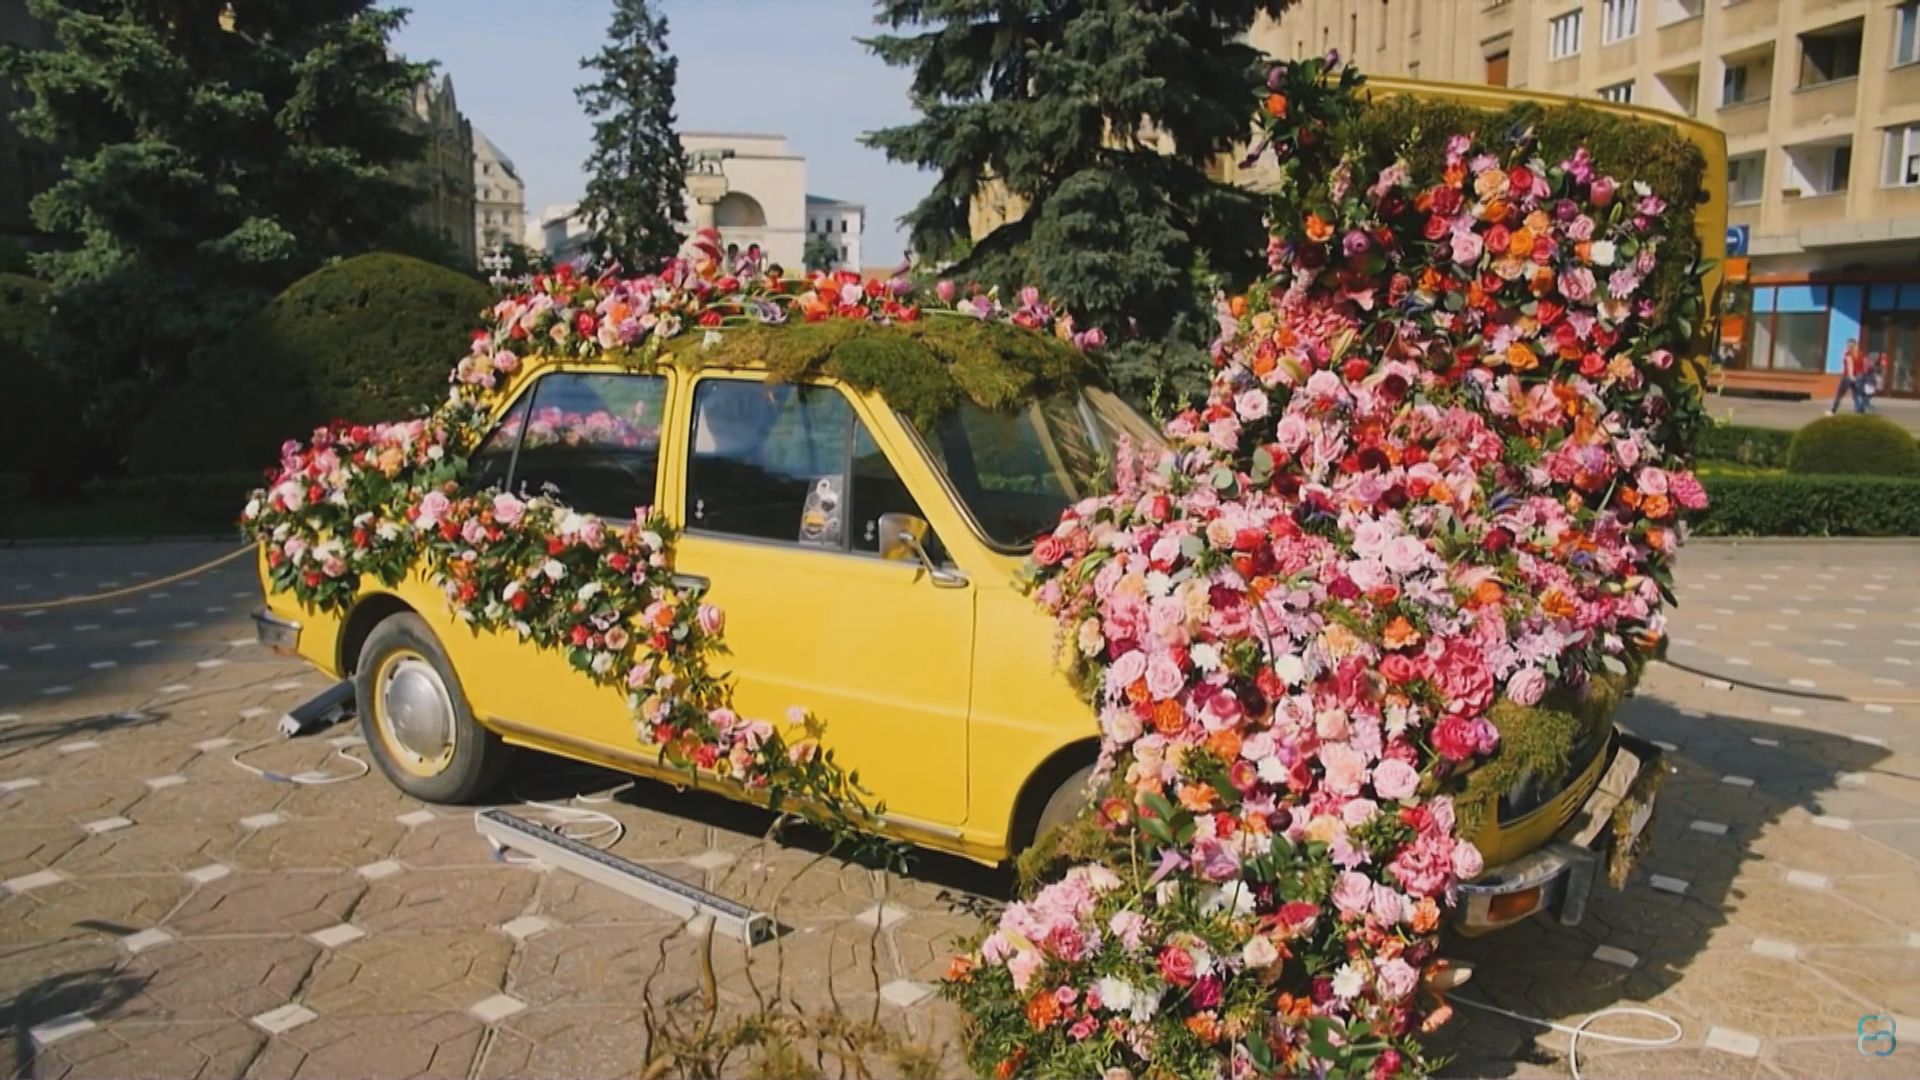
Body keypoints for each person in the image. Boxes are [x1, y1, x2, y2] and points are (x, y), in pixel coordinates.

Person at [1830, 339, 1869, 415]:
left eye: (1848, 345)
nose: (1847, 346)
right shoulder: (1861, 354)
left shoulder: (1848, 354)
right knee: (1856, 394)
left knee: (1840, 394)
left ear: (1851, 345)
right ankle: (1859, 410)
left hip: (1848, 377)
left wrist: (1851, 376)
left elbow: (1850, 366)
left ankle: (1833, 410)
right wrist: (1863, 376)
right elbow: (1865, 366)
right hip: (1859, 376)